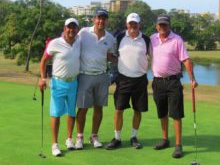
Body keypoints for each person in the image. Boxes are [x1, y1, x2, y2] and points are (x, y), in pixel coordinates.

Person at [150, 14, 198, 158]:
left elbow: (186, 61)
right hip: (157, 82)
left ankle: (178, 145)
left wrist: (193, 79)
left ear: (169, 26)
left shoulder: (177, 40)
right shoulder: (152, 39)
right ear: (156, 26)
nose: (162, 27)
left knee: (176, 114)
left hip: (173, 82)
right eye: (160, 25)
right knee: (162, 113)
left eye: (165, 24)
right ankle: (165, 139)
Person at [105, 13, 150, 150]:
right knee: (119, 110)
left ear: (139, 24)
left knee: (138, 109)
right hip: (123, 79)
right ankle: (117, 138)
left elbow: (154, 56)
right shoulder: (119, 38)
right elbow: (110, 54)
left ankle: (133, 137)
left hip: (140, 80)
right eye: (130, 23)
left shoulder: (146, 40)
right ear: (126, 24)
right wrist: (118, 62)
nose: (133, 26)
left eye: (135, 23)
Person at [75, 9, 116, 149]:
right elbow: (73, 45)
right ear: (94, 19)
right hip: (85, 75)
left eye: (104, 18)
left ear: (107, 21)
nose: (101, 21)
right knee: (83, 108)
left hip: (102, 76)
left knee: (99, 108)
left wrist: (125, 61)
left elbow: (111, 56)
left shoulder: (110, 38)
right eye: (98, 18)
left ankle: (94, 136)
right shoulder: (84, 33)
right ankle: (79, 137)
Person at [39, 18, 80, 156]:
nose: (71, 30)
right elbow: (44, 60)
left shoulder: (78, 42)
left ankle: (69, 139)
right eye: (69, 27)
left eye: (74, 28)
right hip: (58, 83)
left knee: (71, 113)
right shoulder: (55, 43)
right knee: (56, 114)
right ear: (64, 29)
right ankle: (55, 144)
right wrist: (43, 78)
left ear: (77, 30)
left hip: (74, 82)